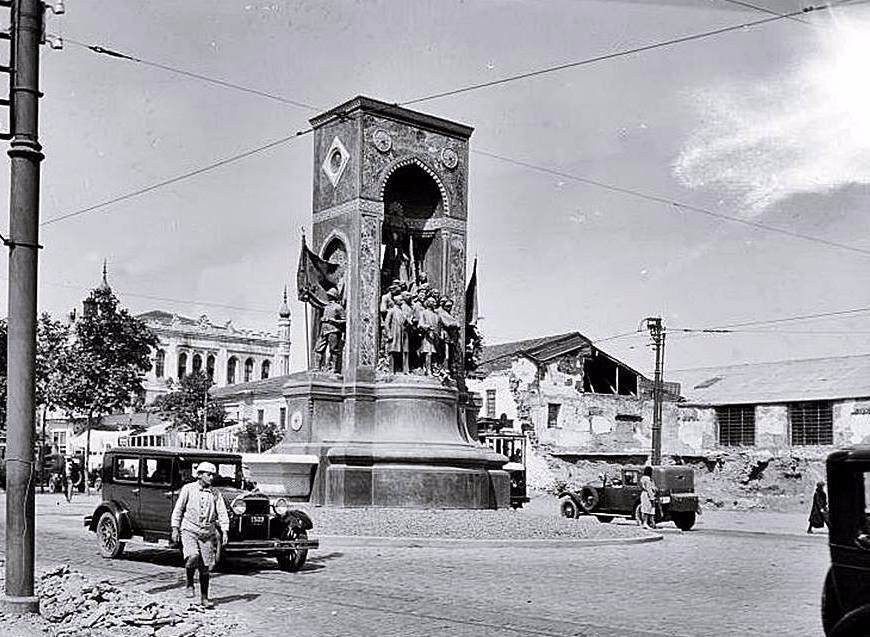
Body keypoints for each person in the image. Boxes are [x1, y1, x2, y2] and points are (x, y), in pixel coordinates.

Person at [171, 461, 230, 608]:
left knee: (205, 567)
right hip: (189, 530)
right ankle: (190, 582)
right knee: (193, 556)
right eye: (208, 474)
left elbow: (222, 513)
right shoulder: (188, 489)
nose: (211, 477)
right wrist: (175, 528)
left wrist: (225, 531)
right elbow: (178, 510)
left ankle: (204, 598)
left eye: (212, 475)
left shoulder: (216, 493)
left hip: (207, 533)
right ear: (199, 475)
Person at [314, 288, 346, 373]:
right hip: (324, 331)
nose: (328, 297)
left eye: (330, 295)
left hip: (333, 330)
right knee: (318, 349)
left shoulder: (338, 308)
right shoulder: (327, 306)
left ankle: (334, 368)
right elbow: (317, 301)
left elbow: (344, 320)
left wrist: (332, 320)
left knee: (333, 350)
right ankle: (317, 367)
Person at [639, 466, 657, 530]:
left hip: (644, 494)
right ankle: (645, 523)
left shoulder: (642, 478)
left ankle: (648, 523)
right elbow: (649, 489)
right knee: (647, 509)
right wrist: (652, 498)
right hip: (647, 495)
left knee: (645, 509)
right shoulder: (647, 479)